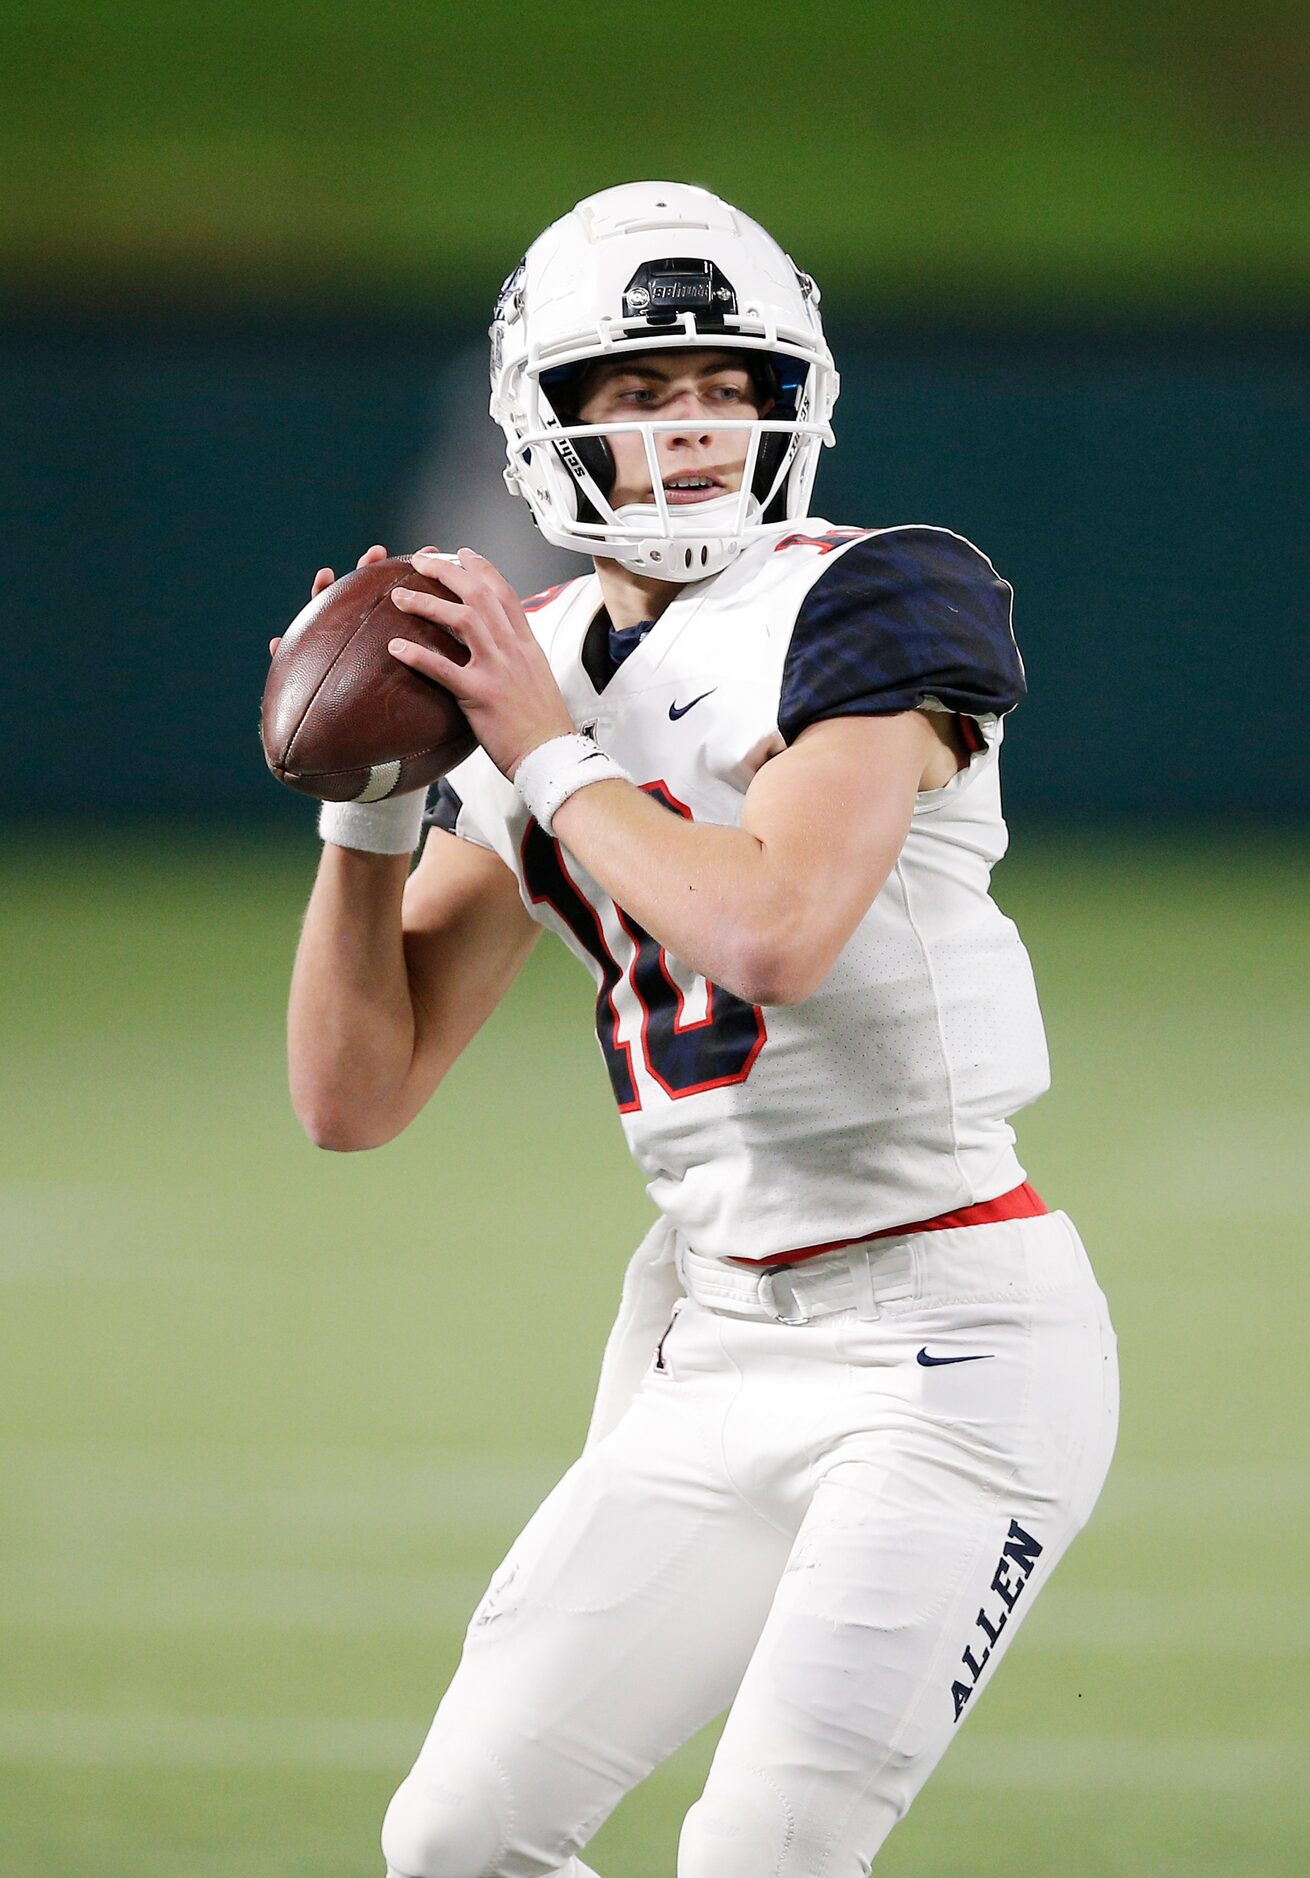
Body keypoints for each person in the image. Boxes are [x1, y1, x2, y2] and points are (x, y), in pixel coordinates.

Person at [284, 181, 1119, 1878]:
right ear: (550, 428)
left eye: (725, 386)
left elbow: (772, 930)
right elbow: (351, 1095)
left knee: (761, 1857)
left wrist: (537, 752)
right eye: (641, 396)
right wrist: (368, 809)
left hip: (948, 1343)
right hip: (713, 1343)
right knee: (456, 1837)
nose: (692, 431)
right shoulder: (529, 667)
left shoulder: (877, 596)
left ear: (789, 400)